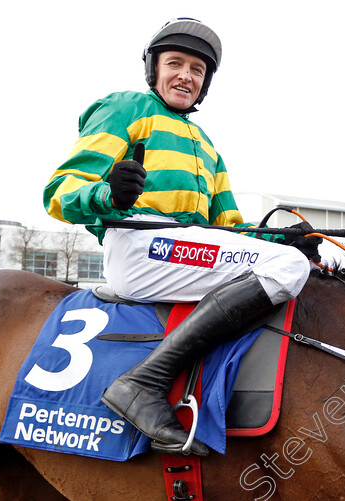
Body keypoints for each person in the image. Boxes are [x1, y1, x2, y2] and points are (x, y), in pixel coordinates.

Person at [43, 18, 317, 457]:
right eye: (175, 63)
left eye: (197, 69)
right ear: (154, 69)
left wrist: (283, 239)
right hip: (141, 246)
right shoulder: (126, 106)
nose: (186, 75)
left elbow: (228, 228)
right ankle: (142, 383)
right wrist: (108, 192)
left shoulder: (207, 147)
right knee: (286, 270)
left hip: (186, 250)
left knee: (285, 257)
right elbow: (59, 193)